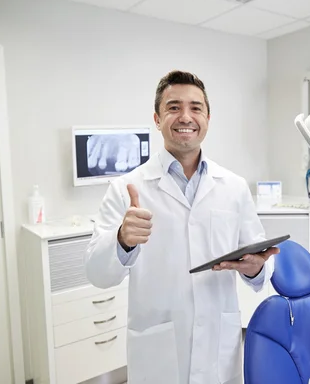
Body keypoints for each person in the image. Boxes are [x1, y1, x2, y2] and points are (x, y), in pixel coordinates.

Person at [84, 70, 279, 384]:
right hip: (158, 354)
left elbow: (260, 264)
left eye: (195, 107)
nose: (185, 116)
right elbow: (97, 273)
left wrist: (256, 268)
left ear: (207, 118)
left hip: (220, 346)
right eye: (173, 107)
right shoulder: (126, 188)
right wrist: (122, 240)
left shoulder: (234, 186)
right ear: (157, 118)